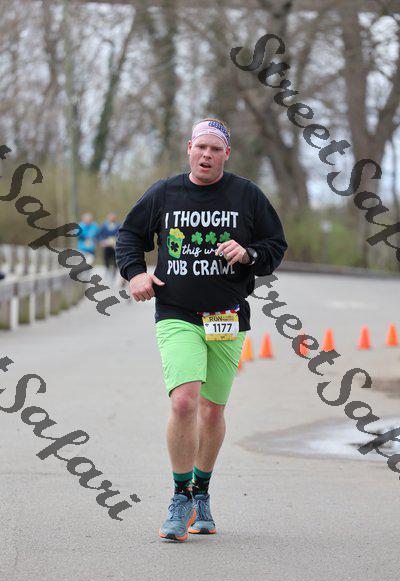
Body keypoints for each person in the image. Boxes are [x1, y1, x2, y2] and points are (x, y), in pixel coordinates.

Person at [116, 117, 288, 542]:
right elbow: (129, 236)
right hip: (176, 312)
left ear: (226, 153)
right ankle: (180, 497)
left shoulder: (247, 195)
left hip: (226, 315)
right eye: (200, 147)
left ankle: (201, 492)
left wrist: (248, 254)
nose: (206, 155)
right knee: (183, 403)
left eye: (215, 149)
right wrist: (135, 274)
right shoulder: (164, 193)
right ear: (188, 148)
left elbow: (274, 246)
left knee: (212, 410)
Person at [98, 212, 121, 281]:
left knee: (115, 260)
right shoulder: (104, 225)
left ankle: (114, 273)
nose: (112, 218)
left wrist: (116, 241)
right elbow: (101, 235)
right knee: (106, 259)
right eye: (111, 217)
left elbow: (120, 234)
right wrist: (102, 241)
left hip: (115, 246)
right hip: (106, 246)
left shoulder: (118, 225)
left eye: (113, 217)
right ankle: (107, 270)